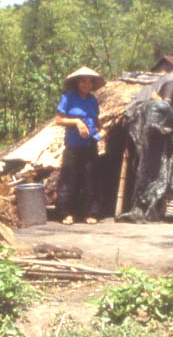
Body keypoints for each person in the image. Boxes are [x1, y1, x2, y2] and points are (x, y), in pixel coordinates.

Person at [55, 66, 106, 225]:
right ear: (77, 82)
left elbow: (96, 120)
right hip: (73, 145)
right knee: (69, 178)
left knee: (90, 178)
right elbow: (59, 119)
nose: (87, 85)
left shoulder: (92, 100)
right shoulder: (68, 98)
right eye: (83, 81)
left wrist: (102, 130)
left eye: (90, 82)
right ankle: (66, 213)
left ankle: (91, 213)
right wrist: (76, 122)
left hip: (90, 143)